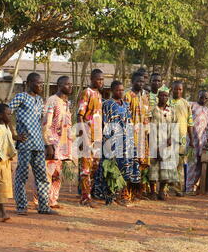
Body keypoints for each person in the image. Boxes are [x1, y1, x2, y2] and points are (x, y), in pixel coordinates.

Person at [9, 73, 58, 216]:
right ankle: (22, 206)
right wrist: (14, 135)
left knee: (42, 176)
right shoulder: (21, 97)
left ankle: (43, 206)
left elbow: (42, 124)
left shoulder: (39, 100)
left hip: (38, 144)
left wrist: (47, 143)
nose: (41, 86)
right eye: (39, 83)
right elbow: (5, 112)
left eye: (42, 83)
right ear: (29, 83)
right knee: (22, 176)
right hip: (25, 144)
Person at [93, 81, 140, 205]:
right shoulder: (107, 104)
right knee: (112, 168)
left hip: (126, 141)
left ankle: (122, 195)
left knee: (125, 167)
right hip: (112, 140)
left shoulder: (126, 104)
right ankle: (110, 196)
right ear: (113, 90)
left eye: (122, 90)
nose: (120, 92)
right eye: (118, 90)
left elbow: (129, 121)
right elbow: (105, 122)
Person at [41, 76, 74, 210]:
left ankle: (53, 200)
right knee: (47, 173)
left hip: (62, 145)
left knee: (57, 174)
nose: (70, 86)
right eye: (67, 84)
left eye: (71, 84)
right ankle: (41, 201)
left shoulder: (66, 103)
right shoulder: (52, 101)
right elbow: (46, 124)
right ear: (59, 85)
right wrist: (48, 144)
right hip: (52, 144)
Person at [77, 69, 104, 208]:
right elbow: (80, 115)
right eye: (98, 79)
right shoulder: (87, 92)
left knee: (94, 167)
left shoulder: (99, 94)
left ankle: (88, 194)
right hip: (87, 136)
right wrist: (84, 137)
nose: (101, 82)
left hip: (97, 137)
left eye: (102, 79)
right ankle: (85, 198)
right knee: (85, 169)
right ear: (92, 79)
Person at [124, 71, 150, 200]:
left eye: (142, 81)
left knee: (139, 165)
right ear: (132, 82)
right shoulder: (127, 96)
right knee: (129, 164)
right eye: (138, 81)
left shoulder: (145, 97)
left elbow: (146, 118)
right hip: (130, 136)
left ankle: (135, 193)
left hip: (141, 137)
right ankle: (125, 193)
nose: (141, 84)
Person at [148, 88, 178, 200]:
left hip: (167, 143)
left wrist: (171, 138)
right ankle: (152, 192)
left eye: (166, 96)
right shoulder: (153, 110)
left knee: (166, 168)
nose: (163, 98)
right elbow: (148, 126)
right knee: (153, 167)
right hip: (154, 142)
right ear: (158, 97)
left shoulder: (172, 111)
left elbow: (175, 125)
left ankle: (161, 191)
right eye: (161, 96)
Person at [169, 81, 194, 197]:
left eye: (180, 89)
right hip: (168, 137)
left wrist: (192, 140)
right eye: (175, 89)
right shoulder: (167, 102)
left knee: (179, 164)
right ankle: (166, 188)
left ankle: (178, 188)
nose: (177, 91)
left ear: (182, 90)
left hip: (182, 138)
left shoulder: (186, 104)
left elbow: (190, 122)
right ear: (172, 89)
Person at [185, 90, 208, 194]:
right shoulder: (192, 106)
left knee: (200, 165)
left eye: (206, 98)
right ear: (198, 96)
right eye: (202, 97)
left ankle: (194, 187)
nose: (204, 100)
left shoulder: (207, 110)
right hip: (191, 140)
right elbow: (188, 122)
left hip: (202, 141)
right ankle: (188, 188)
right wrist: (190, 139)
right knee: (191, 163)